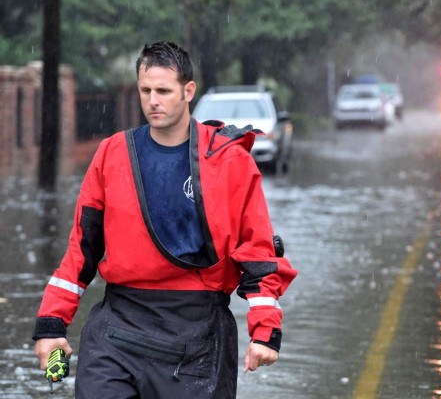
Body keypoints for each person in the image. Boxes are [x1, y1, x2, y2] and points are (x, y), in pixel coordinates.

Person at [32, 41, 298, 398]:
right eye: (145, 90)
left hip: (197, 335)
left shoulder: (229, 161)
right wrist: (51, 324)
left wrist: (265, 331)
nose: (152, 101)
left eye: (163, 90)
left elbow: (258, 249)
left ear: (188, 91)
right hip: (118, 327)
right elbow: (82, 250)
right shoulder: (112, 154)